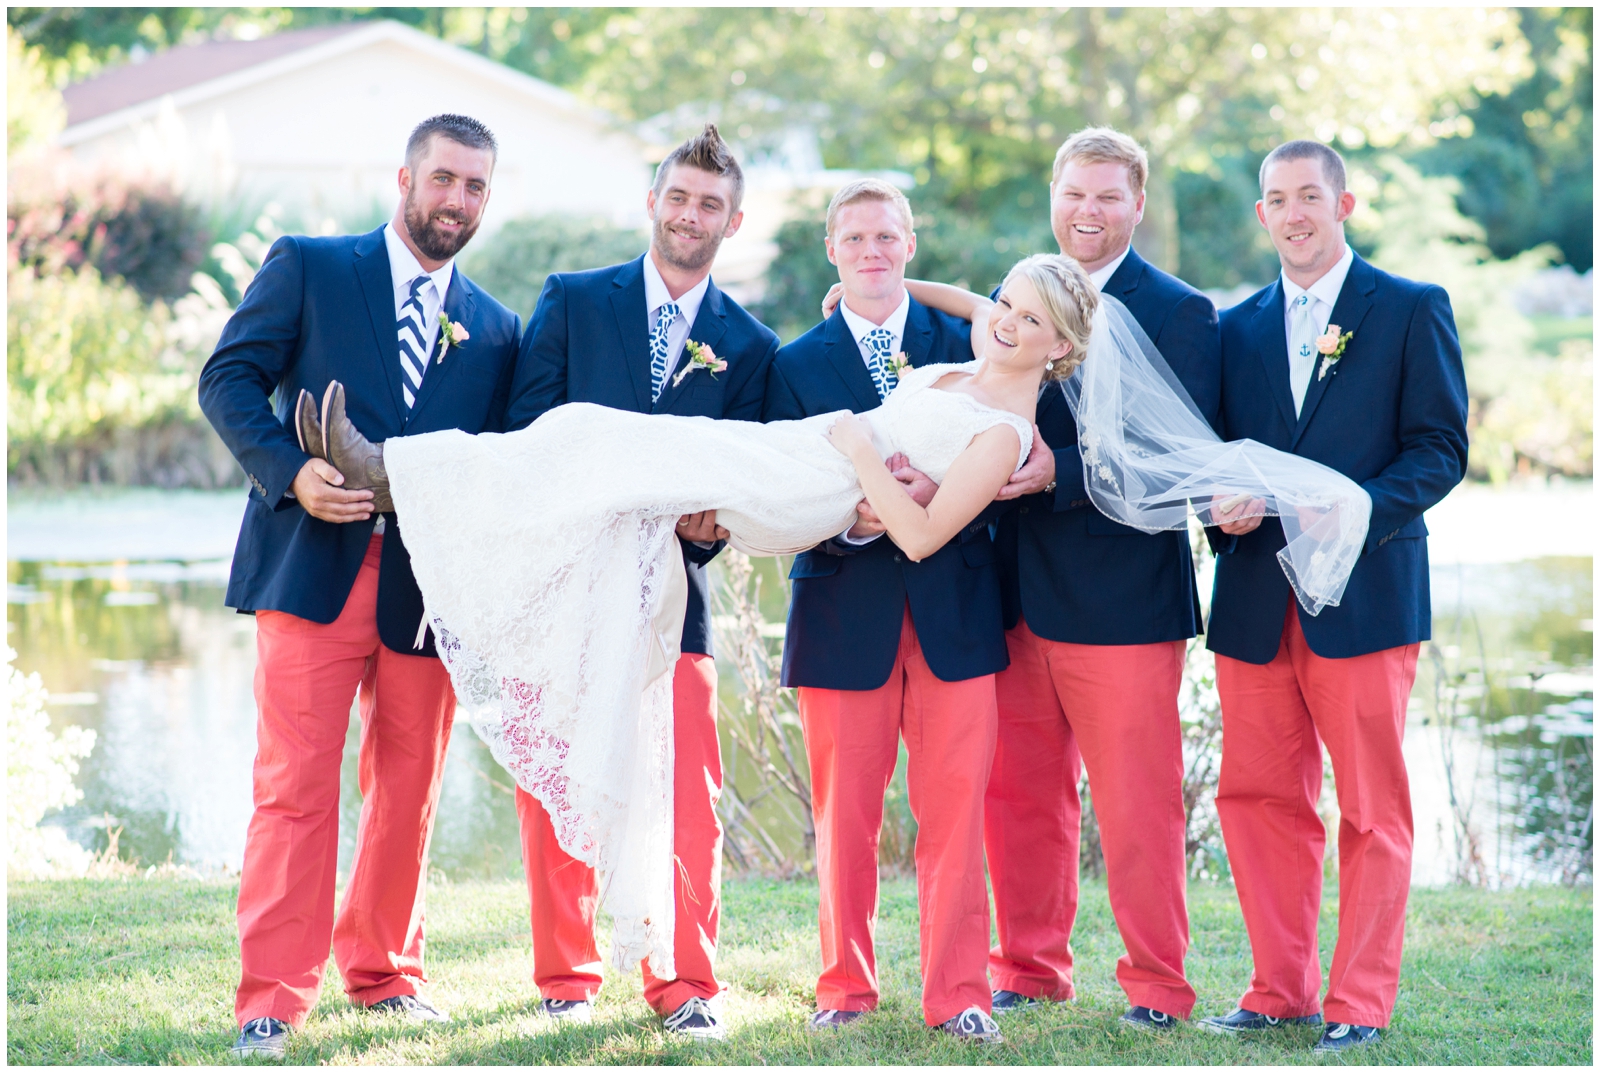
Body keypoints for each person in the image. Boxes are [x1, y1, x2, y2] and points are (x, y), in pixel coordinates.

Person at [295, 252, 1094, 1042]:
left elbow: (920, 534)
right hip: (806, 450)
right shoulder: (966, 365)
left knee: (598, 443)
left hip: (813, 483)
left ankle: (394, 475)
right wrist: (889, 286)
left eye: (1031, 320)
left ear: (1058, 347)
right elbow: (973, 303)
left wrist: (858, 455)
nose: (1005, 320)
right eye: (1005, 302)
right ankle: (408, 479)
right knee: (592, 446)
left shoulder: (1002, 433)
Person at [197, 114, 522, 1060]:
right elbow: (228, 378)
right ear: (405, 178)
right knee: (294, 785)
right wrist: (288, 473)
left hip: (430, 588)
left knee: (409, 785)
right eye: (443, 179)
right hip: (312, 567)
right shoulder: (310, 265)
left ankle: (384, 972)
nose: (455, 200)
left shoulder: (497, 329)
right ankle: (272, 997)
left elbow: (497, 467)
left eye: (474, 187)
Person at [504, 123, 776, 1042]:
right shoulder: (574, 302)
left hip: (675, 601)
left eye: (709, 204)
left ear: (732, 222)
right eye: (677, 197)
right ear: (652, 202)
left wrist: (708, 526)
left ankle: (685, 979)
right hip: (564, 589)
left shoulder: (751, 344)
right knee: (558, 783)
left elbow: (741, 477)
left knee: (684, 792)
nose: (689, 215)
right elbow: (526, 436)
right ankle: (566, 977)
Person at [1197, 140, 1468, 1054]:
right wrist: (1217, 510)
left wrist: (1355, 509)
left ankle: (1360, 1000)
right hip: (1254, 603)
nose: (1294, 212)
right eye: (1277, 198)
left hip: (1367, 596)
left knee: (1371, 806)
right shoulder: (1234, 328)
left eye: (1310, 194)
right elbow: (1216, 459)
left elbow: (1439, 449)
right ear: (1263, 216)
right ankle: (1280, 988)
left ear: (1344, 204)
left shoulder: (1409, 308)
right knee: (1257, 797)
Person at [980, 127, 1221, 1030]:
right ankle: (1028, 966)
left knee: (1137, 805)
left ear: (1138, 206)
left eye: (1108, 196)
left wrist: (1059, 475)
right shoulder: (1021, 288)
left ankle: (1157, 984)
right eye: (1075, 193)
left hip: (1122, 600)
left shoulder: (1181, 312)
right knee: (1020, 795)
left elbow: (1176, 458)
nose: (1088, 211)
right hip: (1010, 594)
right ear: (1053, 192)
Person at [762, 179, 1009, 1042]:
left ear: (911, 244)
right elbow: (780, 487)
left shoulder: (969, 347)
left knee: (956, 813)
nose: (872, 249)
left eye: (887, 235)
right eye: (855, 237)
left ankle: (961, 994)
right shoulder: (792, 365)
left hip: (957, 608)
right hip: (842, 605)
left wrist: (941, 491)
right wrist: (854, 514)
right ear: (833, 251)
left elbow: (1000, 453)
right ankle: (844, 988)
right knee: (845, 816)